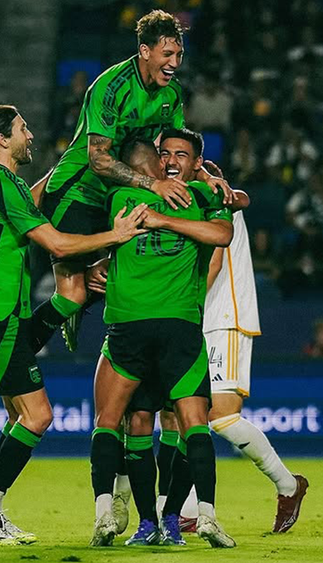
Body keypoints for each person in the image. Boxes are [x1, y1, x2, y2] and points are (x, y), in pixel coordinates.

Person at [0, 105, 148, 546]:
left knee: (70, 298)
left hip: (6, 314)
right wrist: (115, 236)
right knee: (38, 415)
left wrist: (72, 162)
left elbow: (38, 196)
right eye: (23, 129)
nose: (30, 134)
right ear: (2, 139)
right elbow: (57, 242)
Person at [31, 9, 232, 354]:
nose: (174, 63)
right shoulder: (111, 87)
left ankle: (101, 284)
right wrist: (154, 185)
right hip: (77, 193)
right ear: (144, 51)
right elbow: (99, 159)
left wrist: (209, 176)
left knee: (120, 271)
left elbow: (175, 152)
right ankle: (19, 349)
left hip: (119, 196)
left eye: (179, 55)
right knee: (71, 293)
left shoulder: (171, 95)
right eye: (167, 54)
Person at [86, 138, 238, 548]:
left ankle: (130, 517)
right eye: (164, 154)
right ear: (154, 163)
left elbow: (232, 209)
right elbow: (228, 219)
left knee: (121, 421)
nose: (170, 161)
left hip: (131, 327)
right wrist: (212, 183)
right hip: (173, 327)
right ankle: (182, 517)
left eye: (180, 155)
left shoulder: (116, 193)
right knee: (185, 422)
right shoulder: (202, 196)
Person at [190, 129, 310, 534]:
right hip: (202, 319)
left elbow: (212, 266)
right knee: (186, 415)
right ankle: (186, 508)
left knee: (221, 417)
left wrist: (181, 310)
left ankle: (288, 484)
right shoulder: (190, 198)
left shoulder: (214, 196)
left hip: (222, 316)